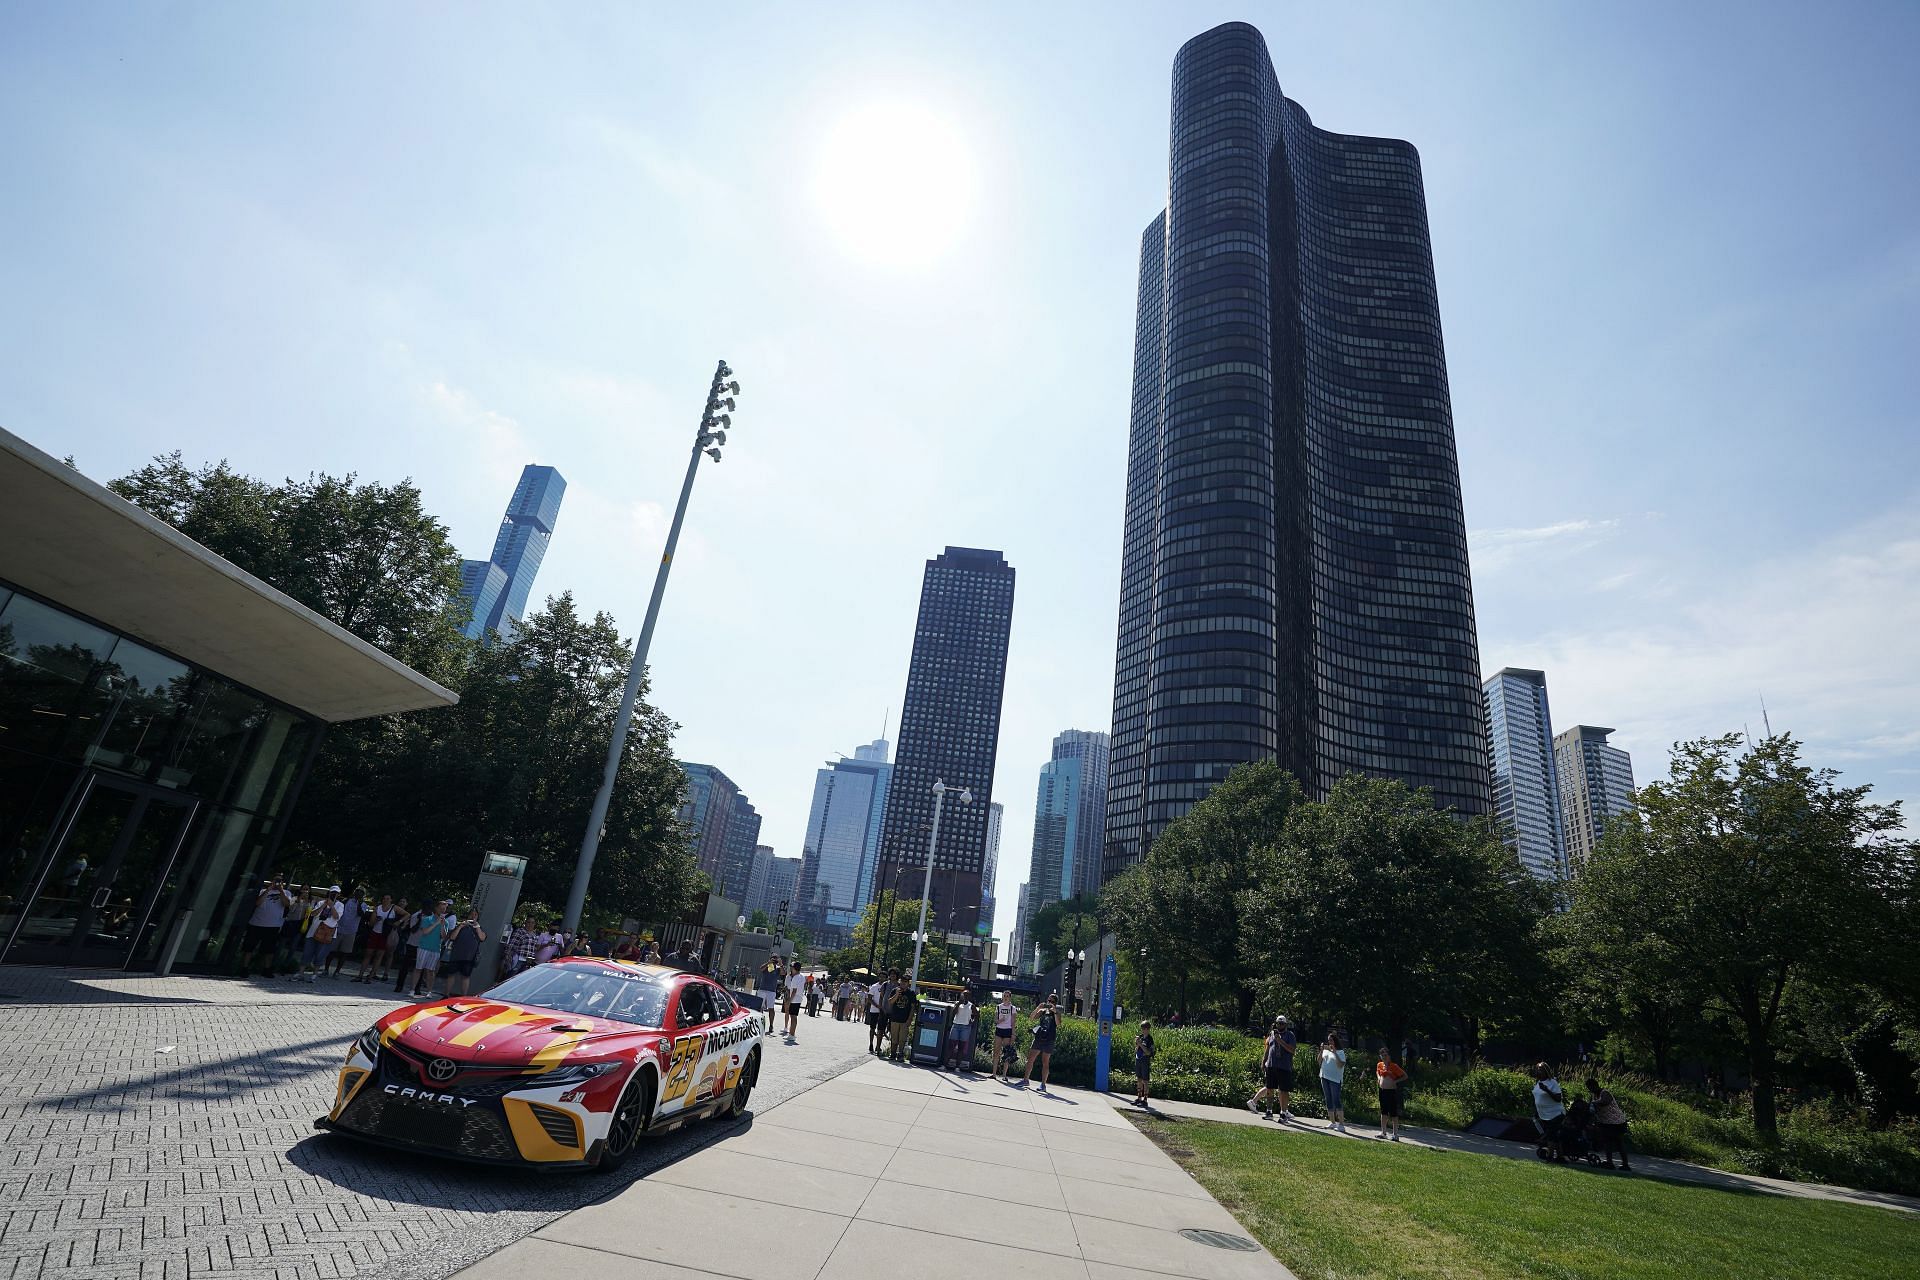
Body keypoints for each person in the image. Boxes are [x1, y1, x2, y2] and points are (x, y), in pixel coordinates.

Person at [238, 880, 292, 977]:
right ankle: (244, 968)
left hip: (273, 926)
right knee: (249, 948)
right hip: (256, 923)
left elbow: (287, 904)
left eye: (280, 881)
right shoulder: (262, 891)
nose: (277, 883)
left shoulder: (286, 893)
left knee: (269, 950)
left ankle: (267, 969)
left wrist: (281, 891)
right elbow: (257, 903)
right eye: (276, 880)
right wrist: (268, 890)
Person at [1248, 1016, 1297, 1120]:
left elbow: (1292, 1050)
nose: (1280, 1025)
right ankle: (1269, 1112)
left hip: (1284, 1067)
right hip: (1271, 1065)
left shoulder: (1290, 1035)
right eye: (1278, 1023)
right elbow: (1268, 1048)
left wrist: (1281, 1042)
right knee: (1269, 1089)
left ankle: (1283, 1113)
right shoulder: (1272, 1034)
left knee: (1284, 1091)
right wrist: (1263, 1061)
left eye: (1282, 1023)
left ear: (1286, 1025)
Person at [406, 899, 454, 998]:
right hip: (424, 947)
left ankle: (429, 992)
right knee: (418, 968)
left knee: (431, 971)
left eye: (445, 908)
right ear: (436, 908)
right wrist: (436, 923)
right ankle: (412, 990)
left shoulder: (445, 922)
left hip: (435, 948)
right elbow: (425, 932)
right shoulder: (427, 919)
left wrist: (442, 925)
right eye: (441, 907)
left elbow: (444, 937)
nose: (443, 909)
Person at [1586, 1076, 1632, 1171]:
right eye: (1589, 1088)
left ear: (1595, 1085)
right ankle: (1609, 1163)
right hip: (1606, 1123)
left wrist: (1594, 1103)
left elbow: (1604, 1102)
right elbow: (1591, 1109)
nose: (1590, 1089)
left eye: (1591, 1087)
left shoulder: (1605, 1093)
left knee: (1619, 1143)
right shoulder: (1594, 1096)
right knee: (1607, 1143)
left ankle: (1625, 1164)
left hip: (1617, 1122)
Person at [298, 888, 342, 982]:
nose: (334, 895)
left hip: (327, 934)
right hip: (313, 931)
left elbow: (337, 917)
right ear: (329, 893)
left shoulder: (340, 905)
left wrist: (332, 906)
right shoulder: (321, 902)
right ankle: (300, 973)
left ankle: (314, 974)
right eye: (332, 893)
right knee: (307, 952)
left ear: (339, 895)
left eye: (336, 893)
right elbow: (313, 914)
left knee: (320, 955)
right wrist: (324, 905)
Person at [443, 906, 488, 996]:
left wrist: (477, 926)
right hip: (456, 955)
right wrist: (460, 926)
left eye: (475, 915)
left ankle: (463, 996)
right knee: (451, 975)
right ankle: (446, 995)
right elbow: (452, 937)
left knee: (465, 977)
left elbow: (482, 938)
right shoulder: (461, 926)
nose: (473, 916)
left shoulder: (479, 928)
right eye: (471, 914)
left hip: (469, 957)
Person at [355, 895, 400, 983]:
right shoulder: (378, 908)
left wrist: (399, 922)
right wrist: (376, 920)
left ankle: (370, 977)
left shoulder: (394, 908)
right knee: (368, 954)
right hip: (375, 932)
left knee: (379, 956)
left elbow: (407, 914)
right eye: (384, 898)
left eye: (388, 899)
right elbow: (371, 924)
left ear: (391, 900)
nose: (386, 900)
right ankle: (360, 975)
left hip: (385, 935)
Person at [1024, 994, 1060, 1091]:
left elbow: (1058, 1023)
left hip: (1049, 1039)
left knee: (1045, 1062)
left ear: (1055, 1003)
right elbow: (1031, 1018)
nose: (1050, 1003)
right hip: (1039, 1037)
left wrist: (1055, 1011)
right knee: (1030, 1058)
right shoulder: (1042, 1011)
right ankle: (1025, 1080)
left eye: (1052, 1002)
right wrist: (1038, 1008)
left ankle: (1043, 1084)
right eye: (1049, 1000)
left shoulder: (1056, 1012)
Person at [1532, 1063, 1568, 1160]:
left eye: (1540, 1069)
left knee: (1551, 1135)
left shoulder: (1552, 1082)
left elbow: (1558, 1098)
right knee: (1554, 1136)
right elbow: (1537, 1098)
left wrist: (1547, 1090)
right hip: (1544, 1114)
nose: (1538, 1071)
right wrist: (1536, 1111)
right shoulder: (1538, 1082)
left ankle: (1550, 1156)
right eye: (1537, 1069)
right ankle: (1560, 1157)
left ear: (1546, 1071)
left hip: (1555, 1114)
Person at [325, 888, 363, 978]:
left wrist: (359, 903)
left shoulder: (363, 904)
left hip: (351, 931)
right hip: (339, 928)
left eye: (360, 894)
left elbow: (361, 914)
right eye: (357, 893)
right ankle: (326, 969)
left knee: (344, 953)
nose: (358, 895)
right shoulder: (346, 901)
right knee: (332, 951)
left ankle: (337, 971)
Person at [1319, 1031, 1348, 1132]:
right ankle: (1332, 1122)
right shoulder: (1326, 1051)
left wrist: (1334, 1052)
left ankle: (1341, 1124)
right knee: (1328, 1099)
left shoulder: (1340, 1052)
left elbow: (1340, 1065)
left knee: (1336, 1100)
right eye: (1328, 1040)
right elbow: (1319, 1061)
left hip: (1335, 1079)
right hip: (1324, 1076)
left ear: (1335, 1041)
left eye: (1331, 1040)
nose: (1329, 1042)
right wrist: (1321, 1050)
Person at [1376, 1047, 1407, 1141]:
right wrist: (1378, 1078)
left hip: (1391, 1091)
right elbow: (1377, 1072)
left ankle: (1395, 1134)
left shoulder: (1394, 1066)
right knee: (1383, 1111)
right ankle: (1383, 1132)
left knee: (1393, 1113)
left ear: (1389, 1056)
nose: (1384, 1057)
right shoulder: (1379, 1065)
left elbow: (1405, 1076)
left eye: (1386, 1055)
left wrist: (1396, 1081)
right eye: (1382, 1055)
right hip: (1382, 1091)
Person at [885, 974, 917, 1062]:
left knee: (902, 1039)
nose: (903, 983)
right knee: (894, 1038)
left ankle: (900, 1054)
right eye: (902, 981)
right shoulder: (894, 990)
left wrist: (909, 1019)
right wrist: (896, 995)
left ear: (908, 983)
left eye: (905, 982)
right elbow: (890, 1002)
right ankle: (893, 1053)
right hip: (894, 1018)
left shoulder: (911, 993)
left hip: (904, 1020)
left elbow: (913, 1007)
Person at [993, 992, 1018, 1081]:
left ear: (1010, 998)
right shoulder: (998, 1007)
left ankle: (1004, 1075)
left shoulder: (1013, 1008)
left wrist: (1013, 1034)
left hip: (1008, 1030)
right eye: (1004, 996)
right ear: (1002, 997)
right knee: (996, 1051)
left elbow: (1013, 1022)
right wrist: (1000, 1020)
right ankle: (994, 1074)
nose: (1006, 998)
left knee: (1007, 1053)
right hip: (999, 1029)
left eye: (1007, 996)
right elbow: (995, 1020)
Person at [948, 990, 976, 1070]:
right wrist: (959, 1004)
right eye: (964, 995)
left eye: (967, 995)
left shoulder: (971, 1006)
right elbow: (954, 1013)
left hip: (965, 1027)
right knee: (951, 1046)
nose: (965, 996)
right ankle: (945, 1064)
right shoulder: (957, 1003)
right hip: (956, 1025)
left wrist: (972, 1021)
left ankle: (957, 1066)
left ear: (969, 997)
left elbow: (976, 1014)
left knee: (961, 1047)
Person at [1133, 1020, 1156, 1107]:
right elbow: (1136, 1050)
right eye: (1142, 1028)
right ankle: (1139, 1098)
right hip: (1138, 1059)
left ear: (1148, 1029)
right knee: (1139, 1079)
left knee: (1145, 1081)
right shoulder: (1141, 1037)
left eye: (1144, 1028)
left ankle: (1145, 1100)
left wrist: (1140, 1045)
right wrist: (1137, 1044)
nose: (1142, 1030)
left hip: (1145, 1061)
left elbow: (1148, 1052)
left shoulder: (1150, 1039)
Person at [867, 974, 889, 1053]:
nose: (882, 978)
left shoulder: (887, 986)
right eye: (880, 976)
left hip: (883, 1011)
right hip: (874, 1010)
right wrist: (877, 1005)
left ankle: (878, 1046)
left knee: (881, 1029)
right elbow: (869, 998)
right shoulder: (874, 986)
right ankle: (871, 1044)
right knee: (872, 1028)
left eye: (884, 976)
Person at [784, 962, 806, 1039]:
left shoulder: (795, 977)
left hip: (794, 999)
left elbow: (794, 991)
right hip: (798, 998)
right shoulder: (802, 976)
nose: (791, 968)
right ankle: (792, 1033)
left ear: (794, 968)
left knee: (793, 1017)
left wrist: (789, 1001)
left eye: (792, 967)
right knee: (794, 1016)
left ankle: (791, 1035)